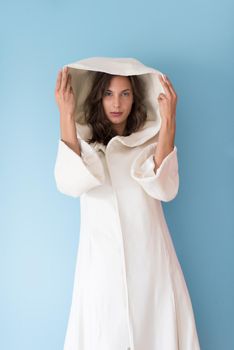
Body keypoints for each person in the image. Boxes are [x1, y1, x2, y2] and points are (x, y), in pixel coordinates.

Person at [54, 57, 201, 350]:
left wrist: (169, 120)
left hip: (151, 264)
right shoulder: (85, 148)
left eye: (125, 93)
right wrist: (65, 115)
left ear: (136, 98)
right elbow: (68, 183)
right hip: (101, 268)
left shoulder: (147, 144)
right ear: (98, 97)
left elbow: (165, 188)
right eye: (108, 93)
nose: (116, 103)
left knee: (157, 332)